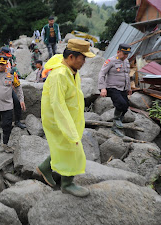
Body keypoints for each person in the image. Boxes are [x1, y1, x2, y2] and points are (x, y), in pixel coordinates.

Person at [36, 39, 95, 198]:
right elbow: (58, 104)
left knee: (62, 146)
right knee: (72, 148)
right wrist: (69, 130)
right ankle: (67, 184)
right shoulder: (60, 75)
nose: (84, 62)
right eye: (82, 58)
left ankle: (45, 167)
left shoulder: (70, 70)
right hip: (58, 118)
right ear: (71, 57)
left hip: (68, 116)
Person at [98, 44, 132, 137]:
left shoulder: (126, 61)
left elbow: (127, 76)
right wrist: (103, 88)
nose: (126, 56)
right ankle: (116, 120)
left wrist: (129, 88)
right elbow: (102, 74)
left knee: (126, 106)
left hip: (122, 88)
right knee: (121, 103)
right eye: (124, 54)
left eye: (127, 54)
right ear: (118, 52)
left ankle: (115, 127)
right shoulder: (111, 61)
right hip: (112, 87)